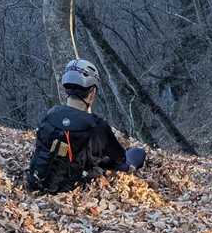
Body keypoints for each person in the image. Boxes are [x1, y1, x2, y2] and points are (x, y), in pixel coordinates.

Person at [25, 59, 147, 194]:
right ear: (92, 92)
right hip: (69, 187)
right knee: (137, 153)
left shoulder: (51, 114)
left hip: (36, 181)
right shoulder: (97, 125)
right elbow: (120, 158)